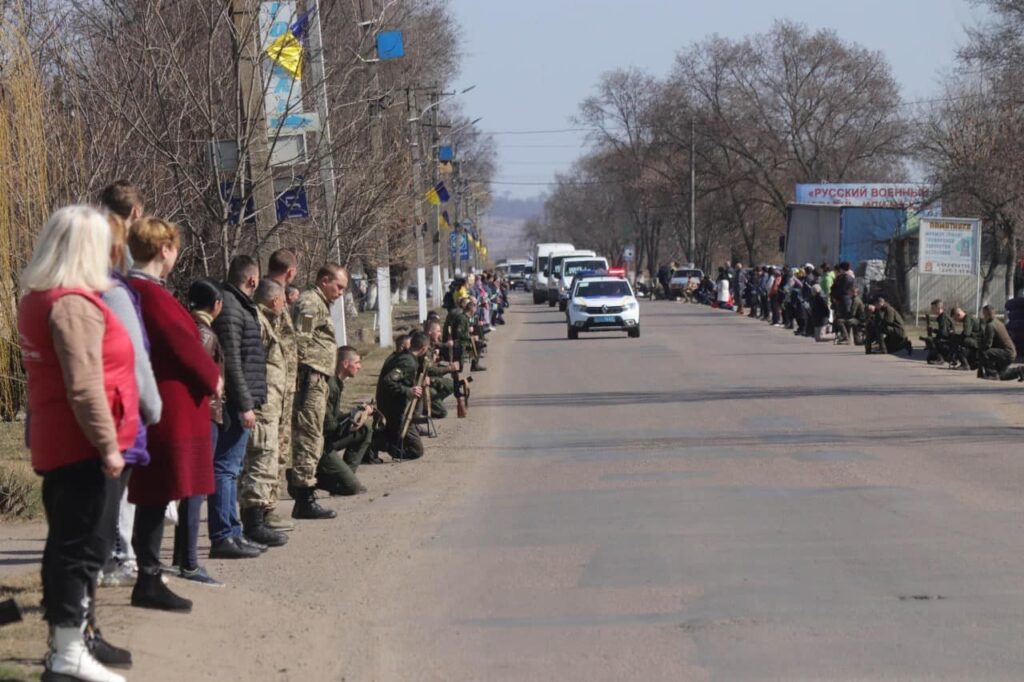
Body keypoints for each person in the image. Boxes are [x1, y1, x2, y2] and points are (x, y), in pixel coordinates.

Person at [19, 205, 137, 682]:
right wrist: (109, 446)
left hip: (60, 440)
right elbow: (85, 385)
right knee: (82, 547)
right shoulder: (72, 305)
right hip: (83, 447)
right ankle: (68, 651)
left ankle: (64, 648)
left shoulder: (40, 297)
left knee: (70, 544)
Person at [127, 217, 222, 612]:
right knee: (156, 491)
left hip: (165, 404)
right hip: (167, 408)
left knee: (158, 491)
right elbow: (183, 346)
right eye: (174, 248)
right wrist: (213, 377)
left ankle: (150, 573)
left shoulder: (144, 291)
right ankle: (148, 578)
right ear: (164, 249)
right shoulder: (150, 294)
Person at [97, 213, 161, 597]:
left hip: (96, 417)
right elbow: (133, 356)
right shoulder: (114, 294)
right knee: (114, 501)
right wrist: (152, 405)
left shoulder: (56, 293)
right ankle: (119, 559)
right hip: (118, 415)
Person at [209, 255, 268, 557]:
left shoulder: (236, 305)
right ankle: (222, 536)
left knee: (232, 468)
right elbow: (231, 360)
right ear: (252, 280)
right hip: (234, 402)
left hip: (240, 399)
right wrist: (245, 404)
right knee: (226, 469)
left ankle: (233, 532)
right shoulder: (232, 308)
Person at [176, 278, 229, 584]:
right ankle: (190, 561)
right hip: (203, 415)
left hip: (199, 414)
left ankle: (182, 556)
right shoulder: (204, 335)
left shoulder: (188, 328)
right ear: (216, 305)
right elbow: (200, 373)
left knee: (192, 488)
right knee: (196, 488)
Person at [289, 263, 348, 520]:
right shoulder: (311, 303)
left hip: (318, 378)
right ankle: (304, 498)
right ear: (324, 280)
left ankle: (304, 492)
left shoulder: (319, 303)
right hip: (309, 379)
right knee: (309, 436)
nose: (341, 292)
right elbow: (300, 341)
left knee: (314, 436)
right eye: (339, 286)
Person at [238, 278, 290, 548]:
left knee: (267, 459)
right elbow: (251, 361)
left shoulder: (268, 320)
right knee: (261, 459)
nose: (284, 304)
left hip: (270, 402)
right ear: (273, 299)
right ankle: (253, 523)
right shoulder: (257, 320)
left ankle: (257, 519)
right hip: (262, 403)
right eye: (282, 299)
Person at [264, 250, 299, 533]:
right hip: (273, 386)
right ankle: (264, 507)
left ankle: (269, 504)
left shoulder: (277, 294)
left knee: (279, 447)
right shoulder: (270, 295)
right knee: (270, 447)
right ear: (290, 272)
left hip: (282, 385)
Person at [316, 346, 375, 496]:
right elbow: (330, 427)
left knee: (365, 429)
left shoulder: (337, 383)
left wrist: (356, 414)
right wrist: (353, 421)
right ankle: (304, 482)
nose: (359, 367)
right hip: (320, 445)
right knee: (353, 489)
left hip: (328, 440)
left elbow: (335, 416)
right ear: (345, 364)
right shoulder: (331, 385)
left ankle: (346, 476)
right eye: (356, 363)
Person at [375, 331, 429, 460]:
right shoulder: (408, 362)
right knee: (417, 451)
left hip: (396, 405)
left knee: (396, 435)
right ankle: (386, 446)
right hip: (394, 409)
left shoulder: (409, 358)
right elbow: (388, 381)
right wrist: (408, 391)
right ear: (423, 348)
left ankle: (386, 441)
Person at [424, 318, 456, 418]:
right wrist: (449, 369)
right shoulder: (424, 346)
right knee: (443, 413)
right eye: (437, 331)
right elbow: (430, 370)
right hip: (424, 382)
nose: (440, 333)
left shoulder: (431, 344)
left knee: (452, 385)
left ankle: (434, 402)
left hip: (429, 378)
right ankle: (426, 406)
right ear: (430, 332)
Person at [977, 305, 1019, 380]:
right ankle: (1020, 371)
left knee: (984, 352)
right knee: (1002, 375)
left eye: (984, 314)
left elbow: (988, 344)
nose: (983, 316)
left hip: (1006, 353)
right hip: (1011, 353)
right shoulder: (999, 323)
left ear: (987, 314)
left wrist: (979, 349)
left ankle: (992, 374)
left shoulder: (990, 325)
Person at [923, 299, 955, 365]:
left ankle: (940, 359)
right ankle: (937, 357)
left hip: (948, 340)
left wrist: (933, 330)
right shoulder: (942, 316)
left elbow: (943, 333)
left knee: (931, 341)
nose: (932, 310)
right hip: (947, 338)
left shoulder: (943, 318)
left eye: (933, 308)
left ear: (939, 308)